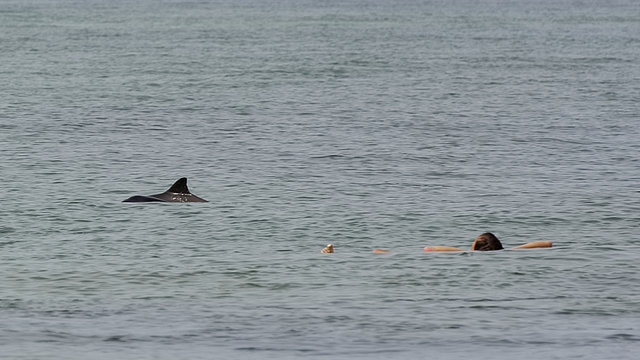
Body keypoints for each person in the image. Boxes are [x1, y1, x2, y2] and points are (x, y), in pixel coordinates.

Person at [423, 232, 552, 252]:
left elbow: (430, 249)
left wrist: (468, 251)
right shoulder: (508, 252)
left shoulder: (468, 253)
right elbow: (547, 243)